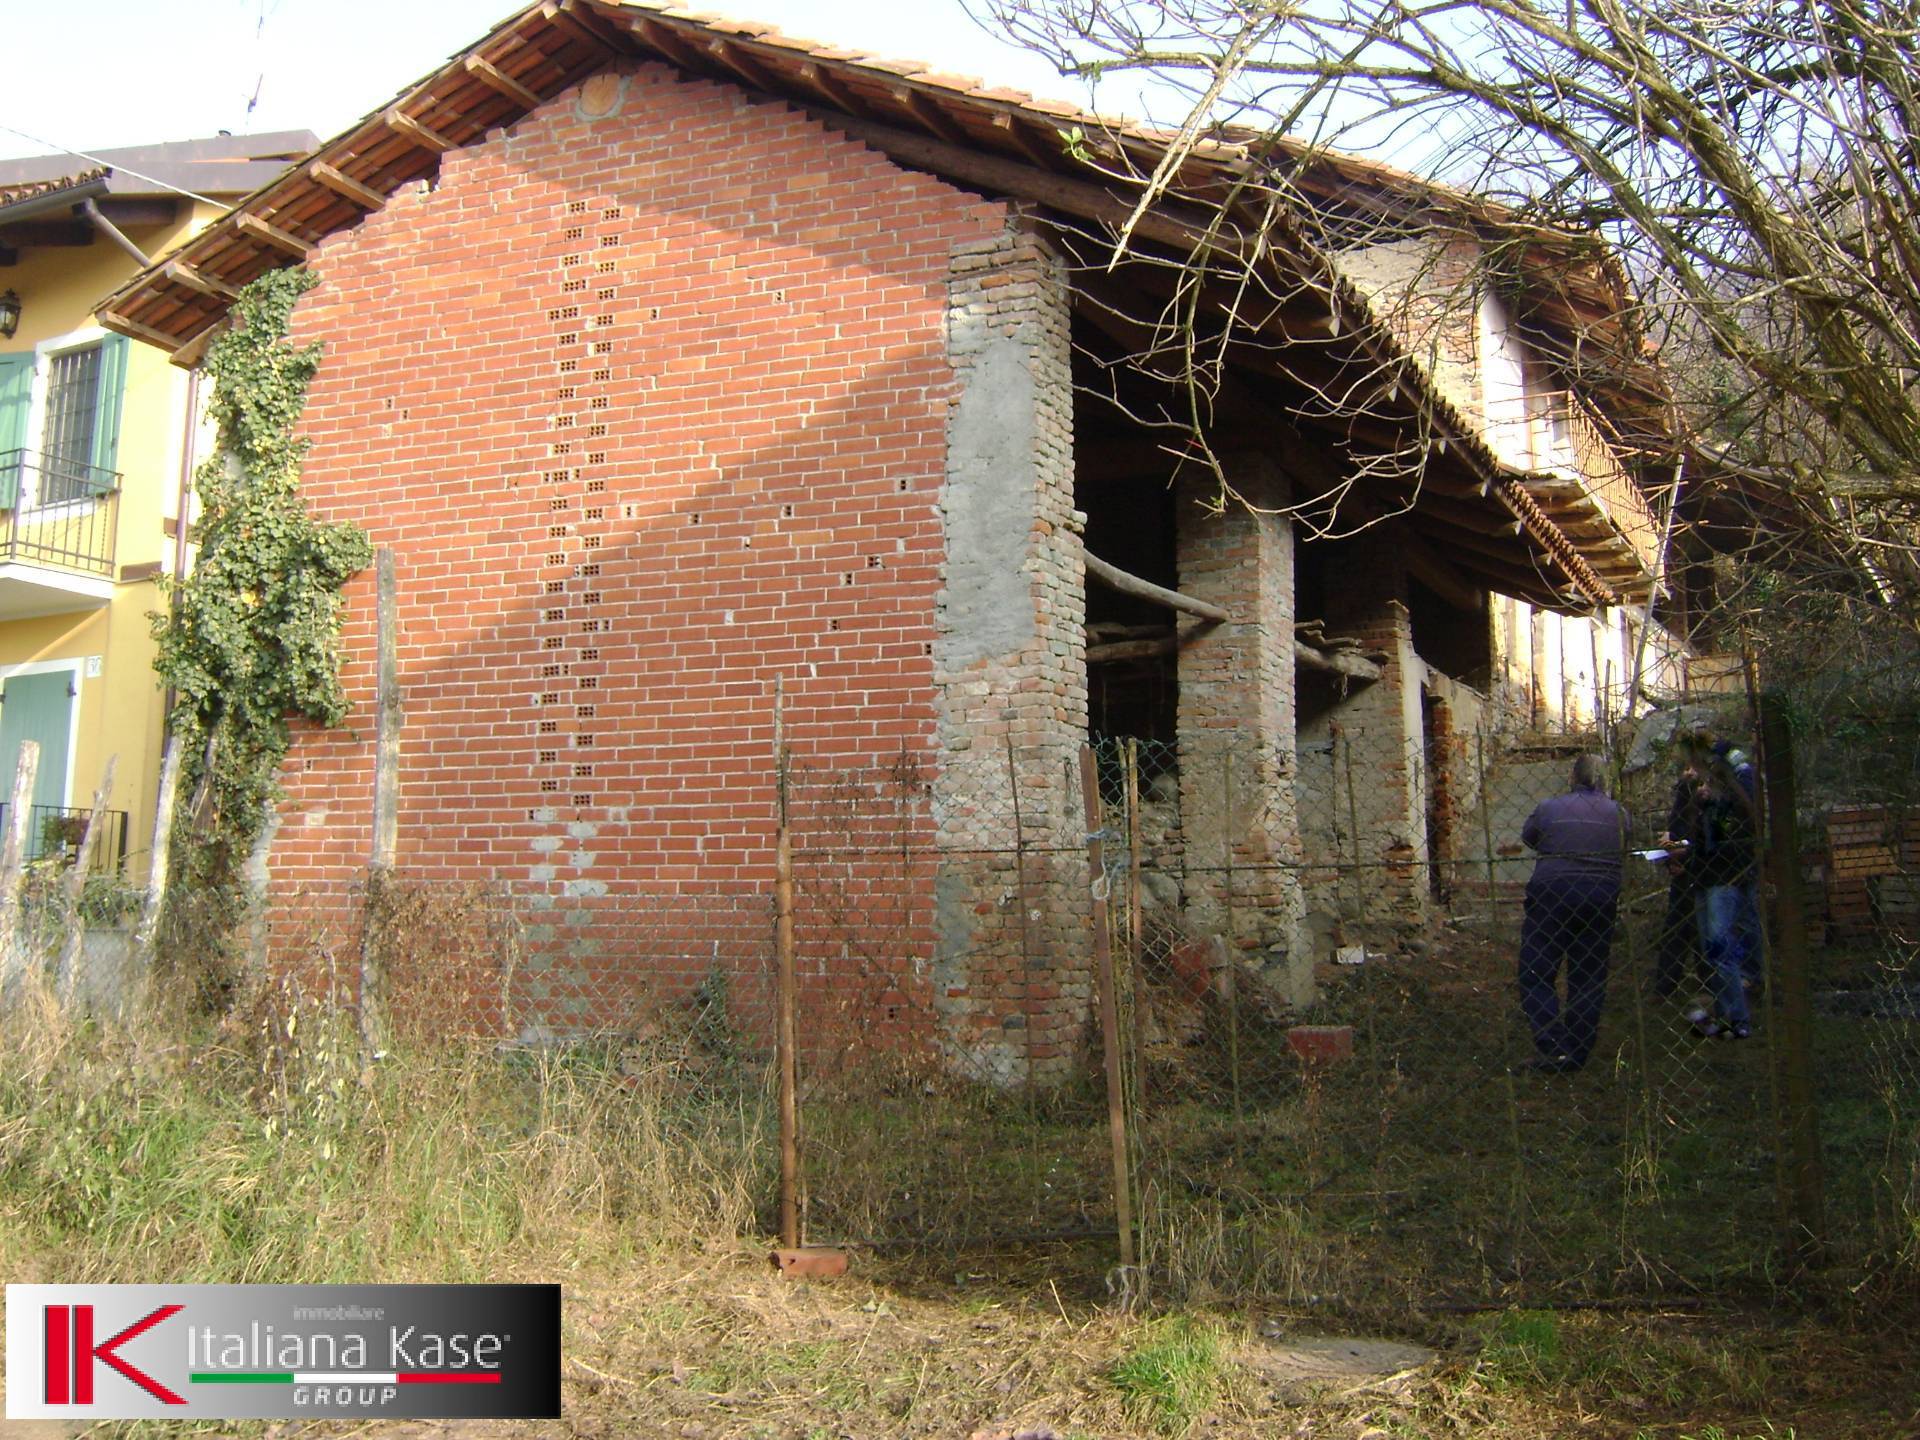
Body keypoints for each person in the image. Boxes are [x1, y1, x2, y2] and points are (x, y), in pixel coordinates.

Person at [1517, 754, 1631, 1073]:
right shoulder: (1620, 814)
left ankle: (1554, 1046)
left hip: (1553, 894)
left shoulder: (1550, 807)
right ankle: (1578, 1050)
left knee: (1537, 971)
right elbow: (1624, 844)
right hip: (1601, 897)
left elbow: (1529, 837)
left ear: (1572, 777)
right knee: (1589, 975)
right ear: (1604, 781)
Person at [1684, 741, 1760, 1040]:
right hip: (1704, 879)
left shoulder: (1736, 799)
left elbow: (1744, 784)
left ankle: (1738, 1020)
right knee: (1712, 951)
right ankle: (1724, 1012)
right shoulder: (1703, 803)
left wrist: (1725, 753)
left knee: (1720, 948)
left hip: (1724, 880)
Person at [1651, 749, 1706, 998]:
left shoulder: (1709, 799)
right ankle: (1665, 986)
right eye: (1687, 769)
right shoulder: (1684, 795)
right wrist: (1671, 857)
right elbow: (1676, 830)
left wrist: (1689, 858)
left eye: (1692, 768)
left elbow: (1708, 840)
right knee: (1676, 931)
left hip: (1702, 875)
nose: (1688, 773)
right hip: (1683, 877)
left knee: (1700, 932)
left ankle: (1709, 982)